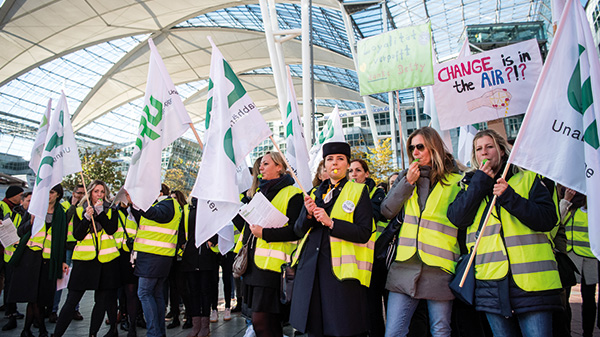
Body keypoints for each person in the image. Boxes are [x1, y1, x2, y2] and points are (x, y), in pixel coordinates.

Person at [447, 129, 562, 337]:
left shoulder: (527, 179)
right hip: (491, 283)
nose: (484, 152)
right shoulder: (470, 184)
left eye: (489, 146)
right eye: (479, 149)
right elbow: (457, 218)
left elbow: (547, 219)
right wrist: (479, 183)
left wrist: (510, 196)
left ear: (501, 149)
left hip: (531, 284)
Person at [381, 126, 463, 337]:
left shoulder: (456, 180)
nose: (415, 152)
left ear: (433, 147)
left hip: (439, 266)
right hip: (405, 266)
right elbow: (387, 211)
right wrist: (407, 183)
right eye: (412, 148)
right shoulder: (405, 178)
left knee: (440, 329)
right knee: (393, 332)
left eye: (420, 147)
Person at [290, 141, 375, 337]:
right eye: (330, 159)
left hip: (339, 273)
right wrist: (308, 215)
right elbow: (298, 230)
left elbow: (364, 232)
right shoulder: (314, 192)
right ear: (324, 165)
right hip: (311, 270)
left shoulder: (359, 191)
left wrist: (332, 223)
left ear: (347, 164)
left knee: (340, 328)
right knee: (314, 328)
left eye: (340, 159)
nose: (334, 163)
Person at [235, 151, 303, 337]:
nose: (261, 168)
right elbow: (247, 230)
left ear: (279, 167)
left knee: (261, 323)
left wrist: (264, 233)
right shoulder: (258, 193)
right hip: (252, 268)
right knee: (268, 325)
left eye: (265, 164)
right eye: (260, 165)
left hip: (273, 270)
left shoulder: (294, 194)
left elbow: (296, 231)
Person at [53, 180, 121, 337]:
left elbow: (111, 229)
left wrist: (100, 213)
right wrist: (85, 218)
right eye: (96, 191)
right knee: (71, 301)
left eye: (102, 192)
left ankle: (92, 334)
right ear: (90, 192)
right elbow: (77, 235)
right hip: (84, 262)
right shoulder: (79, 210)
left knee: (101, 302)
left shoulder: (111, 210)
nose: (99, 195)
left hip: (106, 262)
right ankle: (57, 334)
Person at [8, 184, 68, 337]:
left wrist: (61, 261)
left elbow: (62, 240)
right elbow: (20, 232)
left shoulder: (61, 213)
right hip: (30, 259)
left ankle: (26, 330)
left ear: (58, 195)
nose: (48, 195)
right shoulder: (34, 209)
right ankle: (41, 330)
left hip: (48, 261)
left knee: (39, 298)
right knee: (34, 298)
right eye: (46, 191)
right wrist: (31, 223)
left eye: (52, 192)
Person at [131, 183, 182, 337]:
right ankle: (158, 332)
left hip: (155, 257)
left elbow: (155, 214)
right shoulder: (166, 204)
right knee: (156, 294)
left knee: (144, 293)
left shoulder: (167, 204)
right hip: (155, 257)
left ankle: (154, 333)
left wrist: (138, 203)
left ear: (158, 192)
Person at [349, 158, 387, 336]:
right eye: (350, 171)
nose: (353, 174)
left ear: (366, 174)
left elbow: (372, 216)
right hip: (352, 258)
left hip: (374, 258)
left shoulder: (377, 193)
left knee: (372, 308)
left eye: (357, 170)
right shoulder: (345, 194)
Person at [179, 196, 218, 337]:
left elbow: (218, 225)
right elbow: (181, 229)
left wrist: (212, 241)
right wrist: (183, 244)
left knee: (205, 291)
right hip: (190, 256)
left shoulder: (210, 207)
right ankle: (196, 325)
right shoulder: (186, 208)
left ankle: (205, 326)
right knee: (193, 291)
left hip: (206, 257)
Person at [562, 188, 597, 337]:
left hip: (589, 259)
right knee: (567, 298)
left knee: (587, 299)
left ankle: (587, 333)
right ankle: (570, 332)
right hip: (573, 257)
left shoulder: (592, 212)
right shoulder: (570, 210)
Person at [51, 184, 86, 323]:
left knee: (75, 281)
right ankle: (53, 310)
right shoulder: (64, 205)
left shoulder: (85, 207)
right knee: (60, 280)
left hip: (79, 247)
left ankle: (74, 308)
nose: (80, 196)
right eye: (78, 193)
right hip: (65, 247)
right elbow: (64, 221)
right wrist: (73, 205)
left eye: (83, 193)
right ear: (73, 193)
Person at [114, 190, 140, 337]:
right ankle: (121, 318)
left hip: (131, 256)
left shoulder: (135, 212)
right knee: (119, 292)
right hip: (115, 255)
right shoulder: (113, 212)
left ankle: (132, 325)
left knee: (131, 292)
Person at [1, 185, 24, 331]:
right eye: (20, 195)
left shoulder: (17, 209)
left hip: (9, 252)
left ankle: (11, 309)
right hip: (4, 251)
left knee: (10, 283)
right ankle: (10, 311)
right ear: (13, 195)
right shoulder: (2, 206)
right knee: (8, 283)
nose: (21, 198)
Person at [166, 190, 190, 329]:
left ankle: (189, 314)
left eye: (175, 198)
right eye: (171, 198)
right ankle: (175, 316)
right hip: (170, 254)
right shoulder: (169, 213)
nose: (173, 200)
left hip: (182, 255)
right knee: (172, 288)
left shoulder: (184, 212)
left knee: (182, 287)